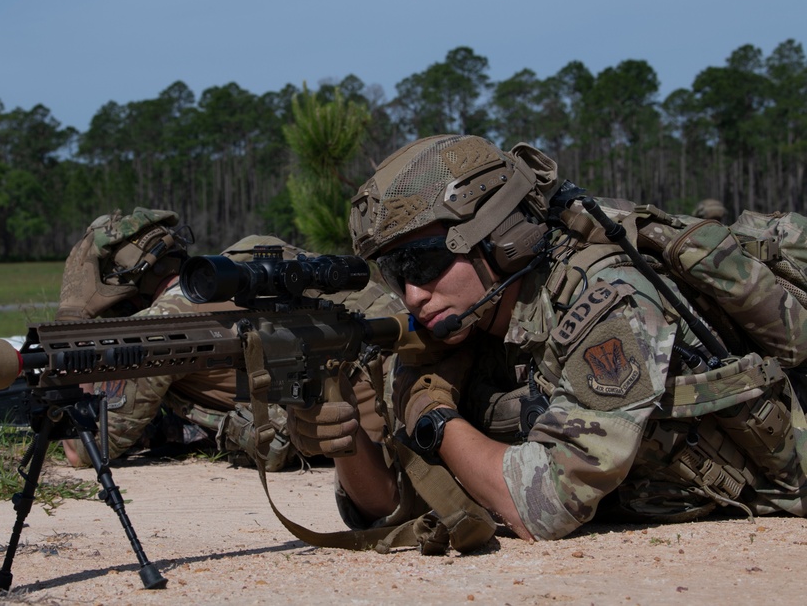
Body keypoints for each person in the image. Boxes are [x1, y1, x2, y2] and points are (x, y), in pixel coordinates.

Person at [286, 134, 807, 548]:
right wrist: (347, 437)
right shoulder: (461, 324)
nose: (415, 294)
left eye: (423, 262)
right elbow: (394, 504)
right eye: (396, 274)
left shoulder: (607, 300)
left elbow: (542, 507)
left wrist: (433, 419)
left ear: (497, 235)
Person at [55, 206, 405, 470]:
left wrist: (74, 323)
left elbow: (88, 449)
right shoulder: (250, 268)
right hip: (408, 388)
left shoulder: (162, 324)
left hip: (370, 443)